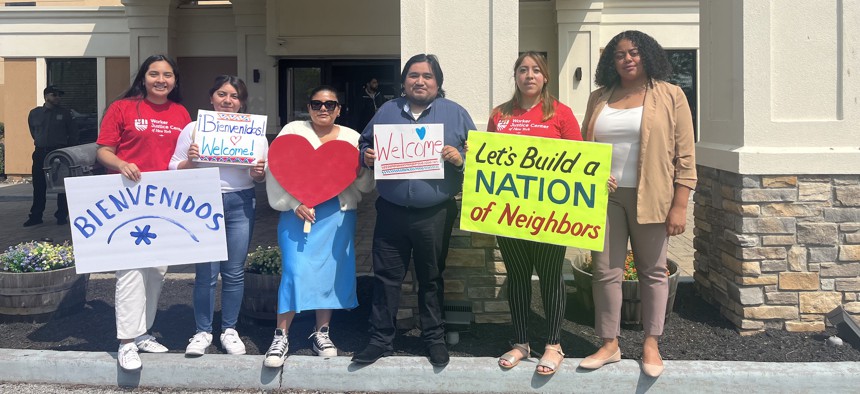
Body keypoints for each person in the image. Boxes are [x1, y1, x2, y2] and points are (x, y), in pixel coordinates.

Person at [577, 30, 696, 378]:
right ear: (609, 62)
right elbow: (587, 147)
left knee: (653, 271)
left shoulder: (671, 95)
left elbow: (685, 155)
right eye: (619, 55)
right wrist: (593, 175)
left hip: (653, 195)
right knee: (605, 271)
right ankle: (609, 343)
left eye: (633, 52)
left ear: (647, 55)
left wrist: (680, 204)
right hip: (606, 197)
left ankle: (651, 342)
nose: (627, 59)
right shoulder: (599, 97)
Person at [353, 54, 473, 367]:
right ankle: (381, 338)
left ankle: (433, 337)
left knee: (431, 278)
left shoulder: (456, 114)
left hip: (434, 213)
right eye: (413, 75)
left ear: (438, 82)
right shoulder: (387, 111)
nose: (420, 81)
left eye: (427, 76)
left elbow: (481, 158)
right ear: (404, 81)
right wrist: (366, 156)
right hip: (391, 210)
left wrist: (460, 158)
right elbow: (363, 144)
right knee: (386, 277)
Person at [263, 86, 373, 368]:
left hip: (337, 213)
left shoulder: (352, 138)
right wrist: (292, 203)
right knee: (294, 270)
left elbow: (363, 185)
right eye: (316, 104)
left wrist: (362, 171)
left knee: (329, 271)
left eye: (330, 104)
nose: (323, 109)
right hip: (297, 212)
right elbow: (276, 168)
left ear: (339, 109)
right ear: (308, 107)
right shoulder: (292, 131)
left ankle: (322, 332)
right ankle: (281, 334)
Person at [487, 51, 581, 375]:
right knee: (517, 276)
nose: (529, 75)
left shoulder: (561, 114)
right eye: (523, 70)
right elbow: (490, 162)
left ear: (545, 77)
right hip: (508, 214)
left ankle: (554, 345)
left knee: (551, 275)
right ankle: (521, 343)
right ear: (515, 76)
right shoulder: (499, 115)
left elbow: (580, 162)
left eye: (536, 70)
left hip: (551, 215)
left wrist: (598, 182)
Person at [96, 54, 191, 371]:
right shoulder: (122, 108)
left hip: (165, 202)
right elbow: (103, 150)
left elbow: (181, 158)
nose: (161, 80)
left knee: (157, 269)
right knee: (131, 269)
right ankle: (125, 341)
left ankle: (142, 333)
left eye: (167, 75)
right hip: (128, 200)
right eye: (154, 74)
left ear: (175, 80)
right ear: (143, 77)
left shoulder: (180, 113)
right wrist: (121, 164)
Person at [169, 75, 266, 357]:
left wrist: (259, 174)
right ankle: (202, 331)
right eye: (222, 94)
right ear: (211, 98)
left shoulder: (254, 133)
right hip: (203, 202)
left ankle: (229, 330)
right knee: (206, 273)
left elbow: (259, 175)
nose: (228, 101)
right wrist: (191, 160)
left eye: (234, 96)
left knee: (234, 272)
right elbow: (173, 167)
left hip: (240, 201)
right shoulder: (194, 129)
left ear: (242, 102)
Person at [24, 85, 79, 227]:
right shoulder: (35, 113)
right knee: (39, 185)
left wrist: (68, 151)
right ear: (46, 96)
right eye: (54, 95)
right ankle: (36, 216)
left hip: (59, 153)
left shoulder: (65, 113)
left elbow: (73, 133)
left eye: (59, 95)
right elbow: (33, 131)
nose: (58, 98)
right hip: (40, 152)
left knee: (61, 185)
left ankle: (61, 215)